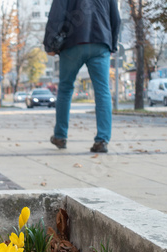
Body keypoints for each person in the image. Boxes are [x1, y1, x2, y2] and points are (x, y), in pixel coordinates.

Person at [43, 0, 121, 153]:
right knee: (102, 91)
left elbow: (56, 15)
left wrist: (49, 44)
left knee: (65, 89)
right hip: (101, 42)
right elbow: (115, 18)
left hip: (72, 43)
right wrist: (112, 43)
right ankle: (102, 140)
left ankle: (60, 136)